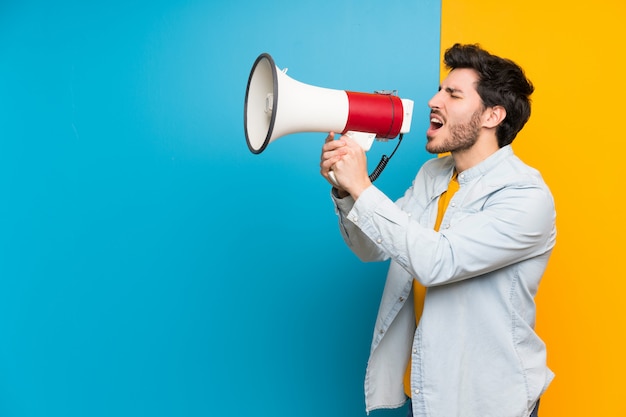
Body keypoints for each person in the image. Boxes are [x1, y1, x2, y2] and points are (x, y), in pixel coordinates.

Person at [319, 43, 555, 417]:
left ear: (492, 115)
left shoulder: (525, 196)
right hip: (429, 391)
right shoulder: (434, 174)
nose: (433, 100)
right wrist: (345, 191)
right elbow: (373, 248)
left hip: (489, 401)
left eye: (453, 94)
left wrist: (363, 187)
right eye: (440, 89)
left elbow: (437, 261)